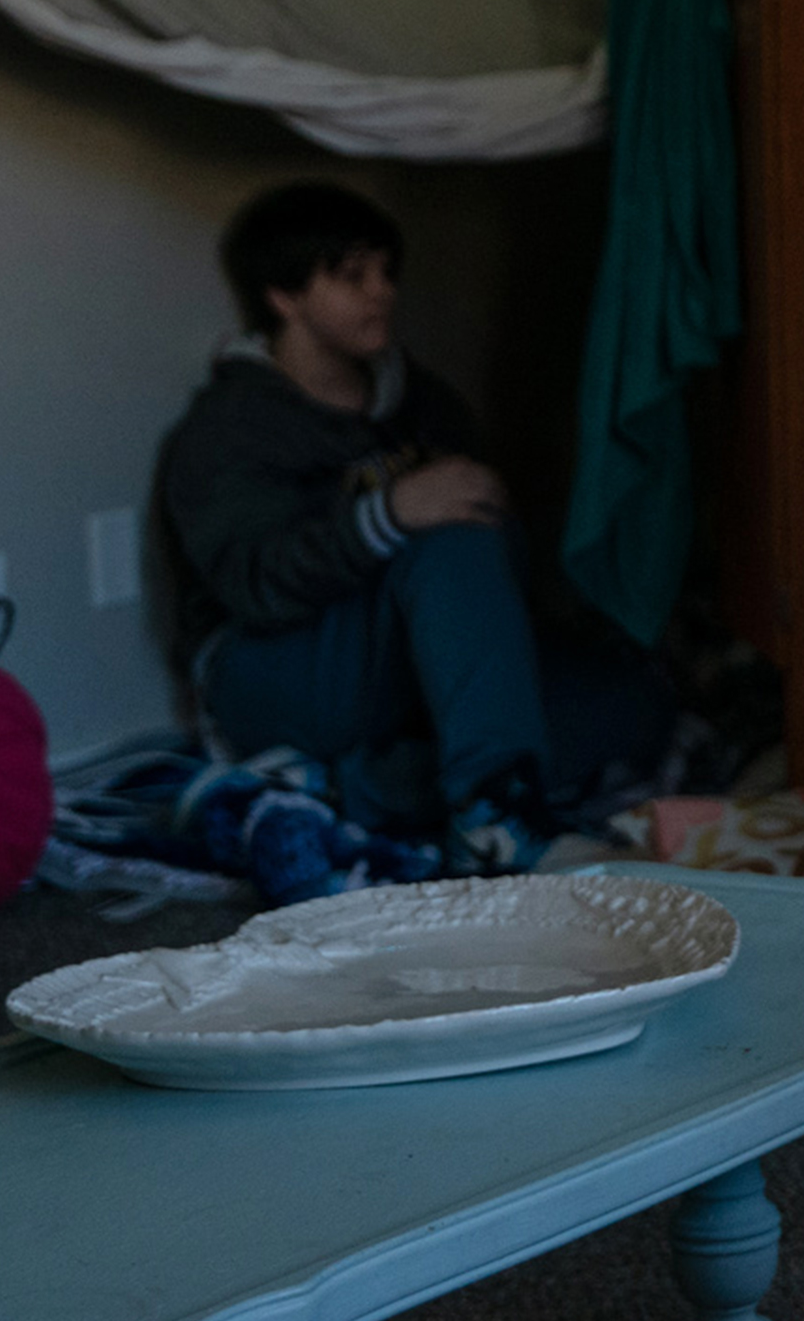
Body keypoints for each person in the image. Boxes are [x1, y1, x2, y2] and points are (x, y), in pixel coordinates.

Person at [160, 181, 662, 872]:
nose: (382, 293)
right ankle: (499, 818)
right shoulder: (230, 427)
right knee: (448, 532)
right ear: (284, 297)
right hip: (274, 663)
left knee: (631, 701)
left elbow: (488, 567)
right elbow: (254, 585)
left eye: (385, 273)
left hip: (401, 662)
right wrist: (390, 514)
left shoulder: (419, 402)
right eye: (351, 277)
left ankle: (354, 785)